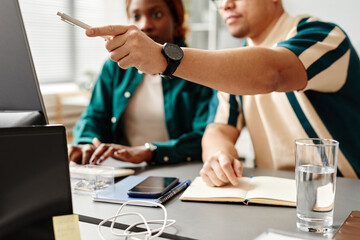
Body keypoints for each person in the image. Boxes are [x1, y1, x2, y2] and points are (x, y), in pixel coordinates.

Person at [85, 0, 360, 184]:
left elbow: (273, 72)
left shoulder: (324, 36)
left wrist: (164, 58)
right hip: (277, 198)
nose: (225, 4)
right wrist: (219, 155)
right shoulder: (236, 68)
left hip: (343, 200)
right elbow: (218, 130)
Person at [69, 0, 213, 166]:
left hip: (182, 171)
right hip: (125, 171)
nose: (145, 25)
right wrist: (85, 143)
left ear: (176, 18)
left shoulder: (200, 68)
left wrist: (150, 151)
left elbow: (206, 137)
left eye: (157, 14)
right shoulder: (115, 67)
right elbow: (94, 115)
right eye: (136, 17)